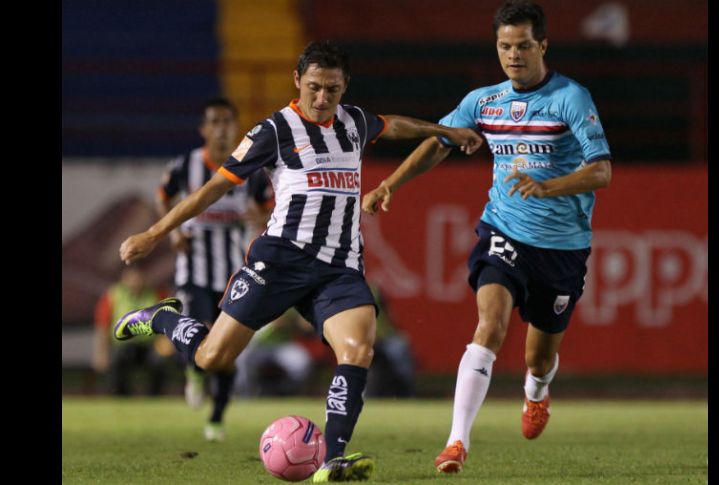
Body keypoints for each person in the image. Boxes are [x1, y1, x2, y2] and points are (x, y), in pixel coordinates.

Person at [114, 40, 483, 482]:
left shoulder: (354, 122)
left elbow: (392, 125)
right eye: (314, 87)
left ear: (345, 87)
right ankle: (160, 319)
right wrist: (155, 234)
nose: (322, 98)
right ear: (297, 81)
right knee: (212, 358)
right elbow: (213, 188)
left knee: (359, 349)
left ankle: (333, 460)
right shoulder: (274, 131)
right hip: (280, 262)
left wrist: (442, 130)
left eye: (332, 89)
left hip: (338, 268)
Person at [362, 0, 612, 474]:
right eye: (504, 46)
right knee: (489, 327)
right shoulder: (484, 101)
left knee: (538, 359)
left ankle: (536, 393)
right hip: (503, 230)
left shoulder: (571, 99)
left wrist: (549, 186)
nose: (512, 55)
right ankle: (456, 442)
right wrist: (388, 184)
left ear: (542, 45)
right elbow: (440, 142)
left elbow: (601, 171)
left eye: (522, 46)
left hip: (561, 247)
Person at [156, 97, 275, 442]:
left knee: (227, 348)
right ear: (204, 129)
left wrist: (264, 218)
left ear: (235, 128)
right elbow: (162, 196)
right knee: (203, 334)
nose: (222, 129)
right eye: (215, 122)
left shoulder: (250, 168)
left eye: (227, 122)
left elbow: (273, 207)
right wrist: (175, 232)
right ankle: (194, 373)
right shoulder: (186, 165)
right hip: (193, 271)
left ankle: (217, 419)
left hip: (231, 273)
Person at [92, 266, 177, 396]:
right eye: (132, 277)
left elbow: (169, 322)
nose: (136, 281)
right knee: (117, 362)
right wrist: (101, 352)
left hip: (150, 346)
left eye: (139, 277)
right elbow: (103, 327)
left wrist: (166, 343)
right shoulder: (113, 295)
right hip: (123, 347)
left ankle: (155, 397)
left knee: (159, 360)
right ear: (124, 278)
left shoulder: (158, 294)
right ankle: (120, 397)